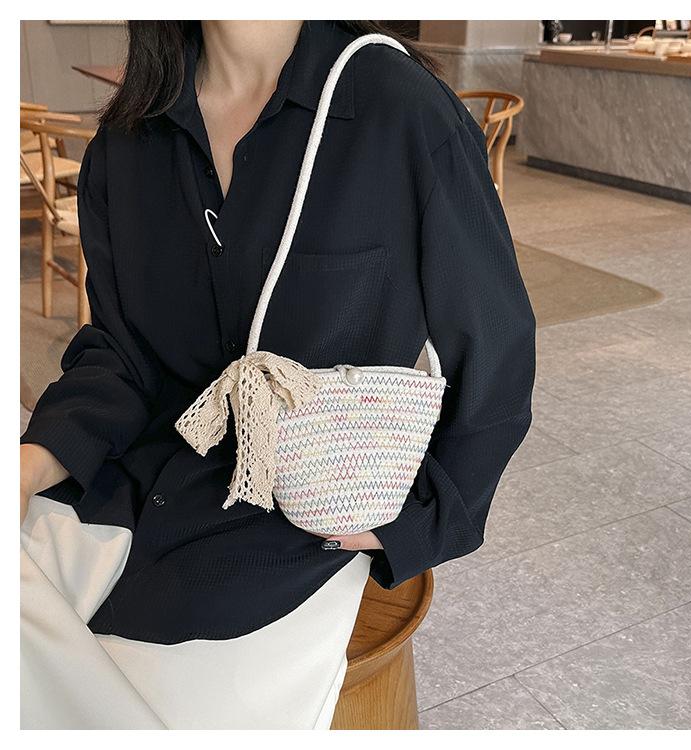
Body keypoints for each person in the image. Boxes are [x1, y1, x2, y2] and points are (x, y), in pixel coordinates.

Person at [20, 20, 536, 729]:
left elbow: (495, 344)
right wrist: (29, 463)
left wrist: (427, 514)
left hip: (290, 528)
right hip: (131, 488)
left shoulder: (398, 110)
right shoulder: (129, 137)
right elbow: (120, 352)